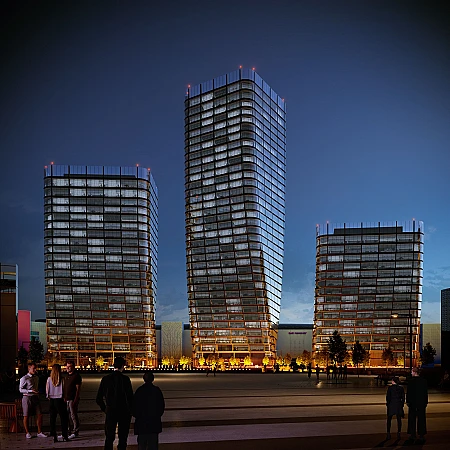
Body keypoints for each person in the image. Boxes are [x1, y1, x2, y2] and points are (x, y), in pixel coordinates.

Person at [96, 357, 133, 450]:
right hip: (124, 411)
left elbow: (98, 398)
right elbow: (130, 397)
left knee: (109, 437)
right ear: (122, 366)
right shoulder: (125, 379)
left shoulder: (106, 379)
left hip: (111, 411)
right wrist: (131, 410)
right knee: (123, 437)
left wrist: (105, 408)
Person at [133, 371, 165, 450]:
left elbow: (134, 406)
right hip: (153, 423)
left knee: (142, 445)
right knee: (153, 445)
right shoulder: (156, 390)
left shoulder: (139, 390)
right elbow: (161, 406)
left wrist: (138, 416)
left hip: (141, 423)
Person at [19, 362, 47, 439]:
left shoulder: (36, 378)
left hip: (35, 397)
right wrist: (30, 391)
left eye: (35, 368)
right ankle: (27, 432)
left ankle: (39, 432)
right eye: (33, 368)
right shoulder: (24, 378)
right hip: (27, 397)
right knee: (26, 415)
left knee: (39, 414)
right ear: (29, 368)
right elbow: (20, 389)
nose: (35, 370)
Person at [46, 364, 69, 442]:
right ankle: (64, 435)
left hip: (52, 400)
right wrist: (65, 397)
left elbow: (47, 390)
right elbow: (65, 390)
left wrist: (49, 397)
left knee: (52, 418)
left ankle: (54, 435)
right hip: (60, 399)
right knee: (64, 418)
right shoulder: (62, 379)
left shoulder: (49, 379)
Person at [406, 367, 428, 443]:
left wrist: (408, 401)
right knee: (421, 419)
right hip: (421, 402)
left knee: (412, 419)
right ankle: (421, 435)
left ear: (415, 372)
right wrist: (425, 402)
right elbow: (425, 393)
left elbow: (409, 393)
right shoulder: (423, 381)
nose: (411, 373)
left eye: (412, 371)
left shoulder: (411, 381)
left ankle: (412, 434)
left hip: (412, 403)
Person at [64, 360, 82, 439]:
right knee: (66, 416)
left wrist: (76, 399)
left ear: (73, 367)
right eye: (67, 366)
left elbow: (78, 389)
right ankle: (68, 431)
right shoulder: (67, 376)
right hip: (66, 399)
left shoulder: (76, 376)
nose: (67, 368)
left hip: (72, 399)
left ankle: (75, 431)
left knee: (73, 415)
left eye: (69, 367)